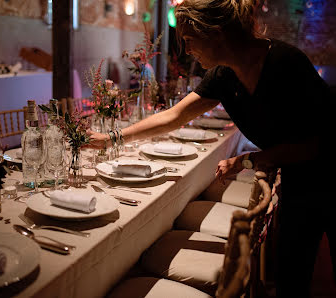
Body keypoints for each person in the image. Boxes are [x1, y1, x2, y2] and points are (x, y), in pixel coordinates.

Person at [88, 0, 335, 296]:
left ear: (215, 33)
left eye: (189, 40)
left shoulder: (285, 63)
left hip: (329, 172)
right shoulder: (224, 74)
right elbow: (174, 116)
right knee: (291, 276)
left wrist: (249, 159)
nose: (186, 50)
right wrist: (112, 139)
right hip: (298, 177)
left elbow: (313, 144)